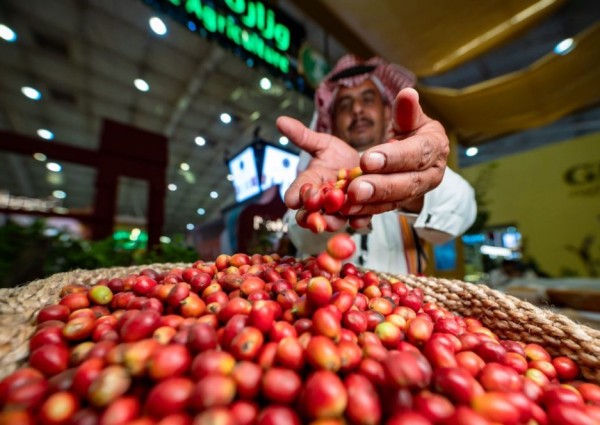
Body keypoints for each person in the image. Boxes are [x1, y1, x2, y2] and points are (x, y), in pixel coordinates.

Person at [277, 55, 477, 275]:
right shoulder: (319, 172)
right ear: (332, 121)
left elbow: (463, 210)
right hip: (330, 301)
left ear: (386, 110)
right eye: (345, 105)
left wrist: (413, 191)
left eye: (368, 98)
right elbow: (301, 236)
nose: (357, 110)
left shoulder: (413, 159)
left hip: (402, 304)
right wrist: (331, 204)